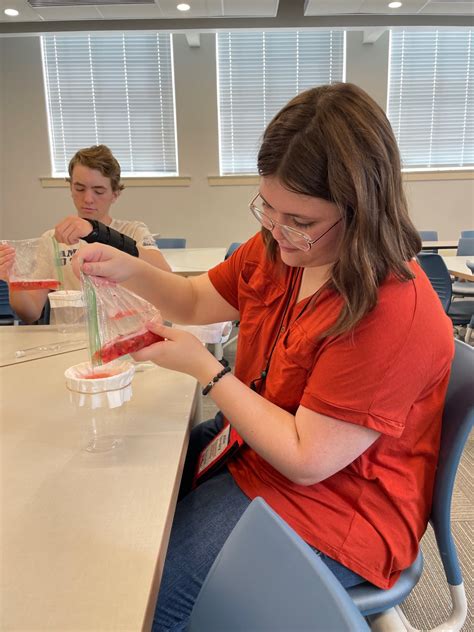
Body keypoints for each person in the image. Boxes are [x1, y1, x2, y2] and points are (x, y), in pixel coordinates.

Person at [73, 83, 454, 631]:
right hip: (258, 456)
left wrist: (209, 372)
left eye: (299, 218)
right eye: (267, 208)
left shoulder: (393, 308)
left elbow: (307, 458)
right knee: (140, 482)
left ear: (363, 207)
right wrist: (126, 267)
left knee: (148, 595)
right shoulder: (286, 247)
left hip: (337, 508)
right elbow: (197, 299)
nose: (278, 231)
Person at [0, 144, 171, 324]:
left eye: (98, 191)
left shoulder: (133, 232)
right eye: (80, 189)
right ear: (71, 188)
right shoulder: (53, 240)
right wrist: (14, 278)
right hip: (71, 340)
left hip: (126, 338)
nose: (88, 199)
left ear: (115, 193)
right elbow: (30, 313)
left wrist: (96, 232)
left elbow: (165, 273)